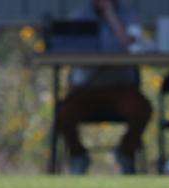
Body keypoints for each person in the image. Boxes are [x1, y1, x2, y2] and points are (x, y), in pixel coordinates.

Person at [58, 0, 152, 175]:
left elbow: (131, 45)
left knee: (142, 109)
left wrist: (110, 15)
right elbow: (66, 50)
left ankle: (126, 152)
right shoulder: (79, 16)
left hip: (121, 88)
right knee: (63, 114)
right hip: (86, 90)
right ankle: (78, 155)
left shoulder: (128, 15)